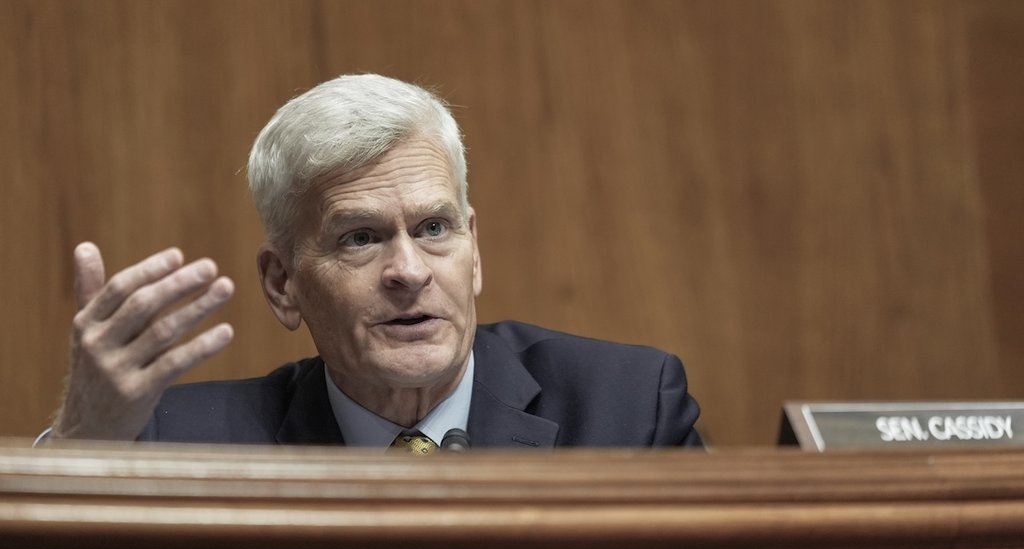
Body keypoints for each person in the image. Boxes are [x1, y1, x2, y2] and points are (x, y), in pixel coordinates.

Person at [48, 74, 702, 450]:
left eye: (434, 228)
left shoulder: (629, 408)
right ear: (283, 285)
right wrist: (85, 438)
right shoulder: (177, 440)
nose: (409, 271)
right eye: (360, 238)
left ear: (473, 252)